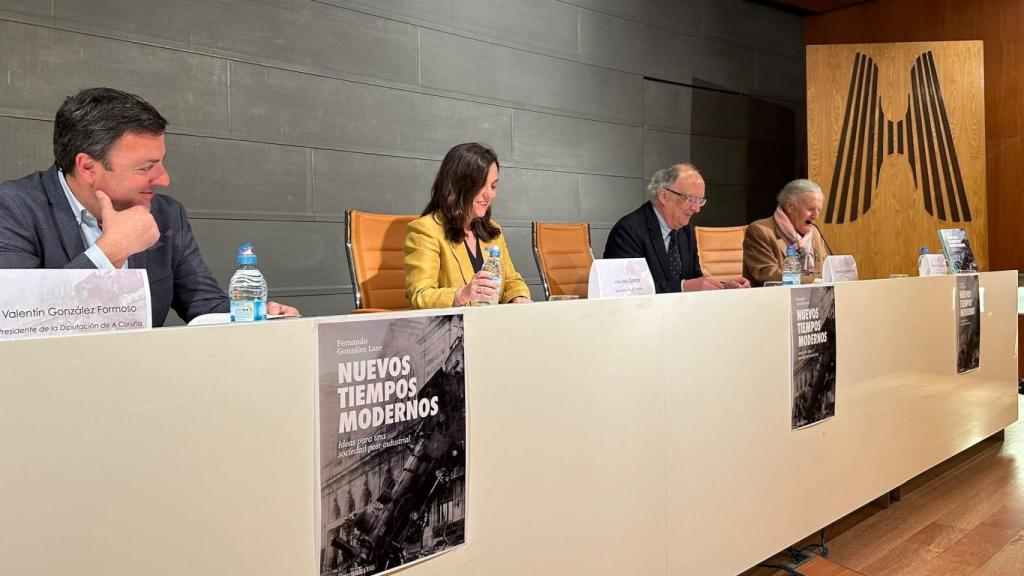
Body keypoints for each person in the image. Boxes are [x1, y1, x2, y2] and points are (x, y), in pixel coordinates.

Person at [0, 87, 298, 326]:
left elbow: (205, 306)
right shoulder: (14, 208)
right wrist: (109, 252)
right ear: (88, 167)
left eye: (160, 162)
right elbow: (16, 318)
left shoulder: (167, 215)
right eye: (145, 168)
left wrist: (255, 318)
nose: (164, 179)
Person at [404, 142, 532, 309]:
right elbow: (420, 295)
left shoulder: (493, 230)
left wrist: (519, 297)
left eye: (493, 186)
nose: (490, 195)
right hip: (456, 325)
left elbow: (511, 280)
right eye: (481, 186)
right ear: (458, 185)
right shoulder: (425, 230)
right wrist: (462, 294)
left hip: (493, 321)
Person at [603, 163, 749, 292]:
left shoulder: (686, 230)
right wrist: (683, 287)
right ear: (663, 196)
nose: (696, 208)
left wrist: (723, 287)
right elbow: (627, 290)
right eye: (690, 199)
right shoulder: (628, 230)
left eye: (700, 200)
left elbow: (695, 280)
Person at [743, 178, 828, 286]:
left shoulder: (815, 233)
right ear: (790, 206)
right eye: (811, 209)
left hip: (814, 295)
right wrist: (814, 282)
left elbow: (826, 270)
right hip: (774, 296)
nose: (816, 216)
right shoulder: (760, 231)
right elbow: (767, 274)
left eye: (818, 210)